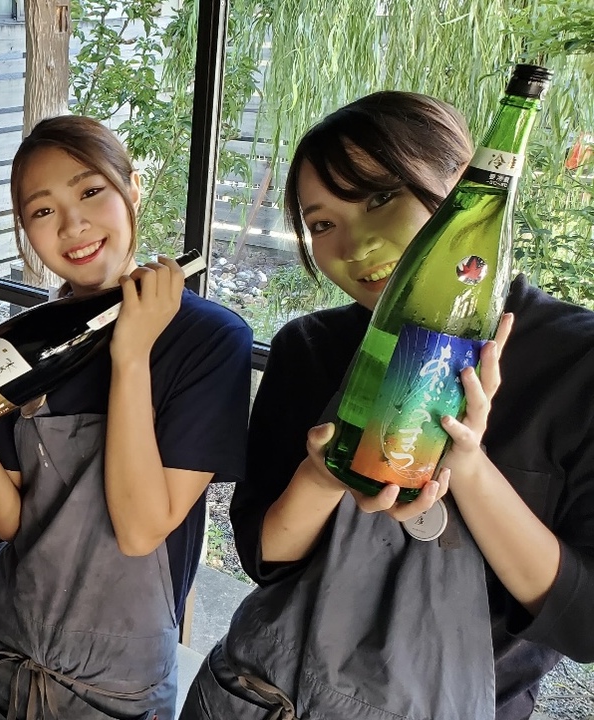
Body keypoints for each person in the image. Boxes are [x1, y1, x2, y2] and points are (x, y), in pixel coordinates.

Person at [182, 92, 594, 719]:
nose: (354, 243)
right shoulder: (312, 347)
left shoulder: (576, 363)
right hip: (264, 698)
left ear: (466, 192)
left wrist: (471, 467)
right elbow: (262, 557)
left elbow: (584, 622)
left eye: (380, 197)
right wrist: (323, 475)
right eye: (321, 224)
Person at [0, 115, 252, 719]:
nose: (72, 225)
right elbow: (14, 522)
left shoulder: (208, 339)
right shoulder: (23, 344)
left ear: (132, 188)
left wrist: (131, 354)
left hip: (114, 686)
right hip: (5, 651)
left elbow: (143, 528)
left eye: (91, 191)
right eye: (42, 211)